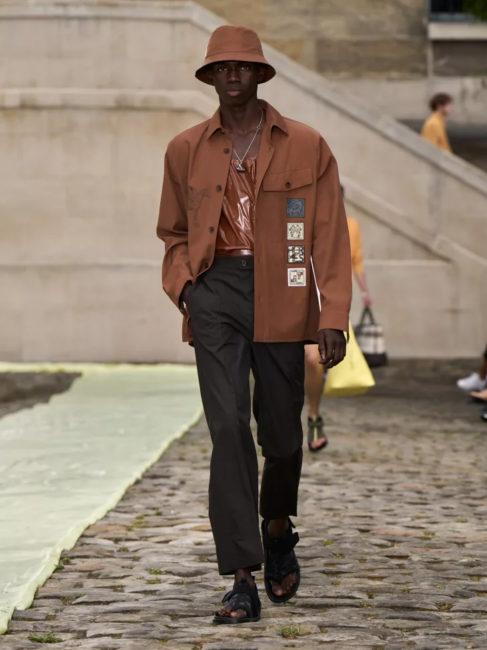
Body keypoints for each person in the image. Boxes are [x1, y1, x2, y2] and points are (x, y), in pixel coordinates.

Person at [157, 25, 351, 624]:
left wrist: (333, 312)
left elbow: (329, 233)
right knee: (227, 429)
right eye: (222, 67)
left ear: (261, 74)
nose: (233, 75)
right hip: (215, 292)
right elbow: (173, 233)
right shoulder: (185, 149)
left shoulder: (307, 145)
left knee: (283, 436)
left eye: (243, 66)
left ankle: (276, 526)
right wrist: (187, 289)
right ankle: (241, 574)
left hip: (284, 292)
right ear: (210, 77)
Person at [305, 186, 372, 451]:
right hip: (294, 292)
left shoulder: (350, 226)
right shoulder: (300, 218)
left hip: (325, 298)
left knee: (314, 359)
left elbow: (356, 260)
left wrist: (363, 291)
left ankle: (313, 415)